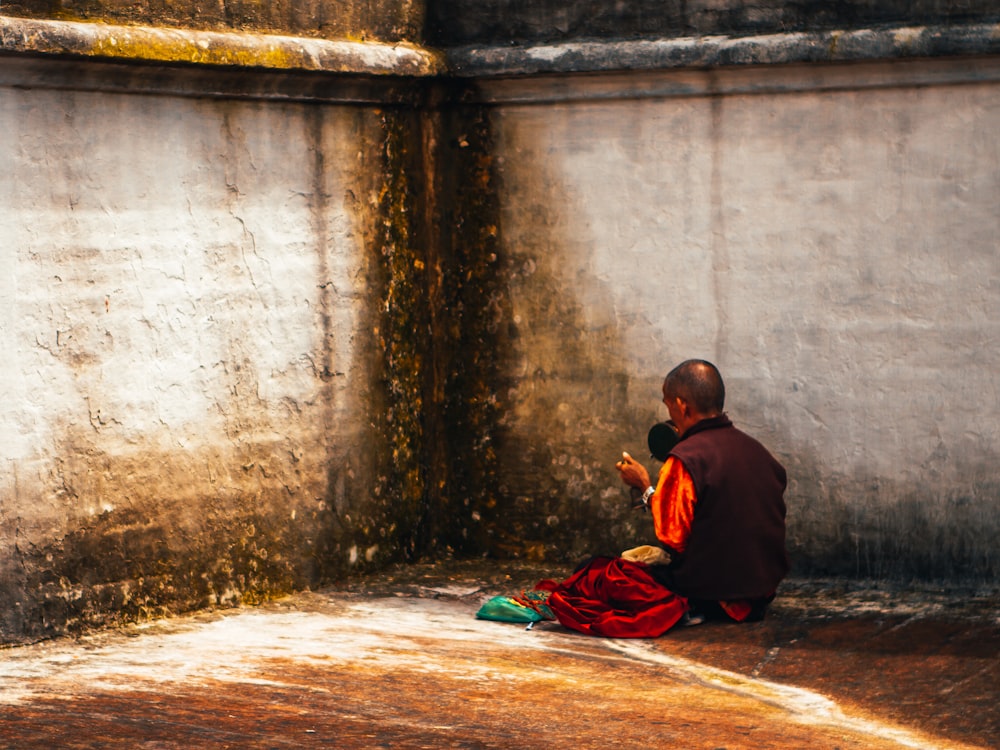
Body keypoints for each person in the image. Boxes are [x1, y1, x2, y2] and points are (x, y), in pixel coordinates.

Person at [616, 359, 789, 623]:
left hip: (715, 594)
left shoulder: (685, 459)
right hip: (761, 592)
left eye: (668, 403)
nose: (669, 412)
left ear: (682, 405)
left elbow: (672, 537)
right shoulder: (757, 450)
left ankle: (692, 609)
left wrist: (643, 485)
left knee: (599, 574)